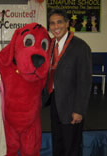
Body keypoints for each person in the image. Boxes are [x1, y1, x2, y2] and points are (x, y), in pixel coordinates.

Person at [47, 9, 92, 156]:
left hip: (72, 106)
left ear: (67, 24)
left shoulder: (80, 46)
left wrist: (79, 110)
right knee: (58, 143)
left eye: (59, 22)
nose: (56, 26)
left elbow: (84, 81)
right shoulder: (50, 45)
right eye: (52, 23)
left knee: (72, 147)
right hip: (55, 103)